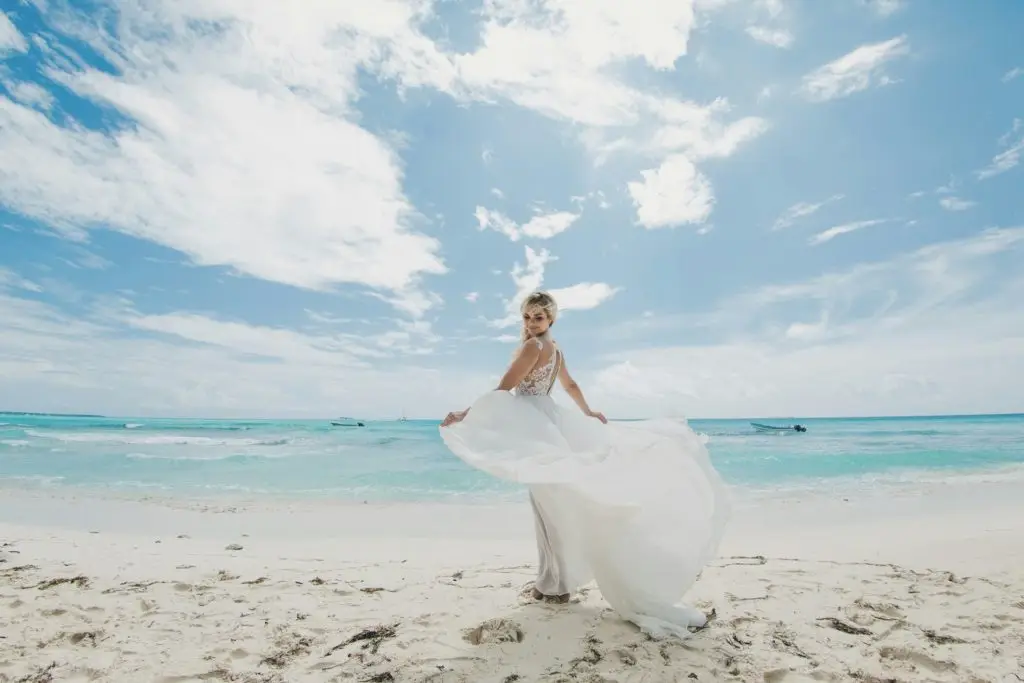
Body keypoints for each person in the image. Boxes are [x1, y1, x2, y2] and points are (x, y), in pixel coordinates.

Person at [439, 291, 730, 639]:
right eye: (528, 317)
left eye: (539, 317)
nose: (533, 323)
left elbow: (506, 388)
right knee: (553, 506)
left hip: (535, 426)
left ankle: (554, 587)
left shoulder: (534, 348)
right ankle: (553, 583)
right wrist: (587, 412)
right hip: (548, 422)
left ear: (551, 319)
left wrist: (467, 414)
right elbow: (570, 385)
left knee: (548, 508)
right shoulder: (555, 348)